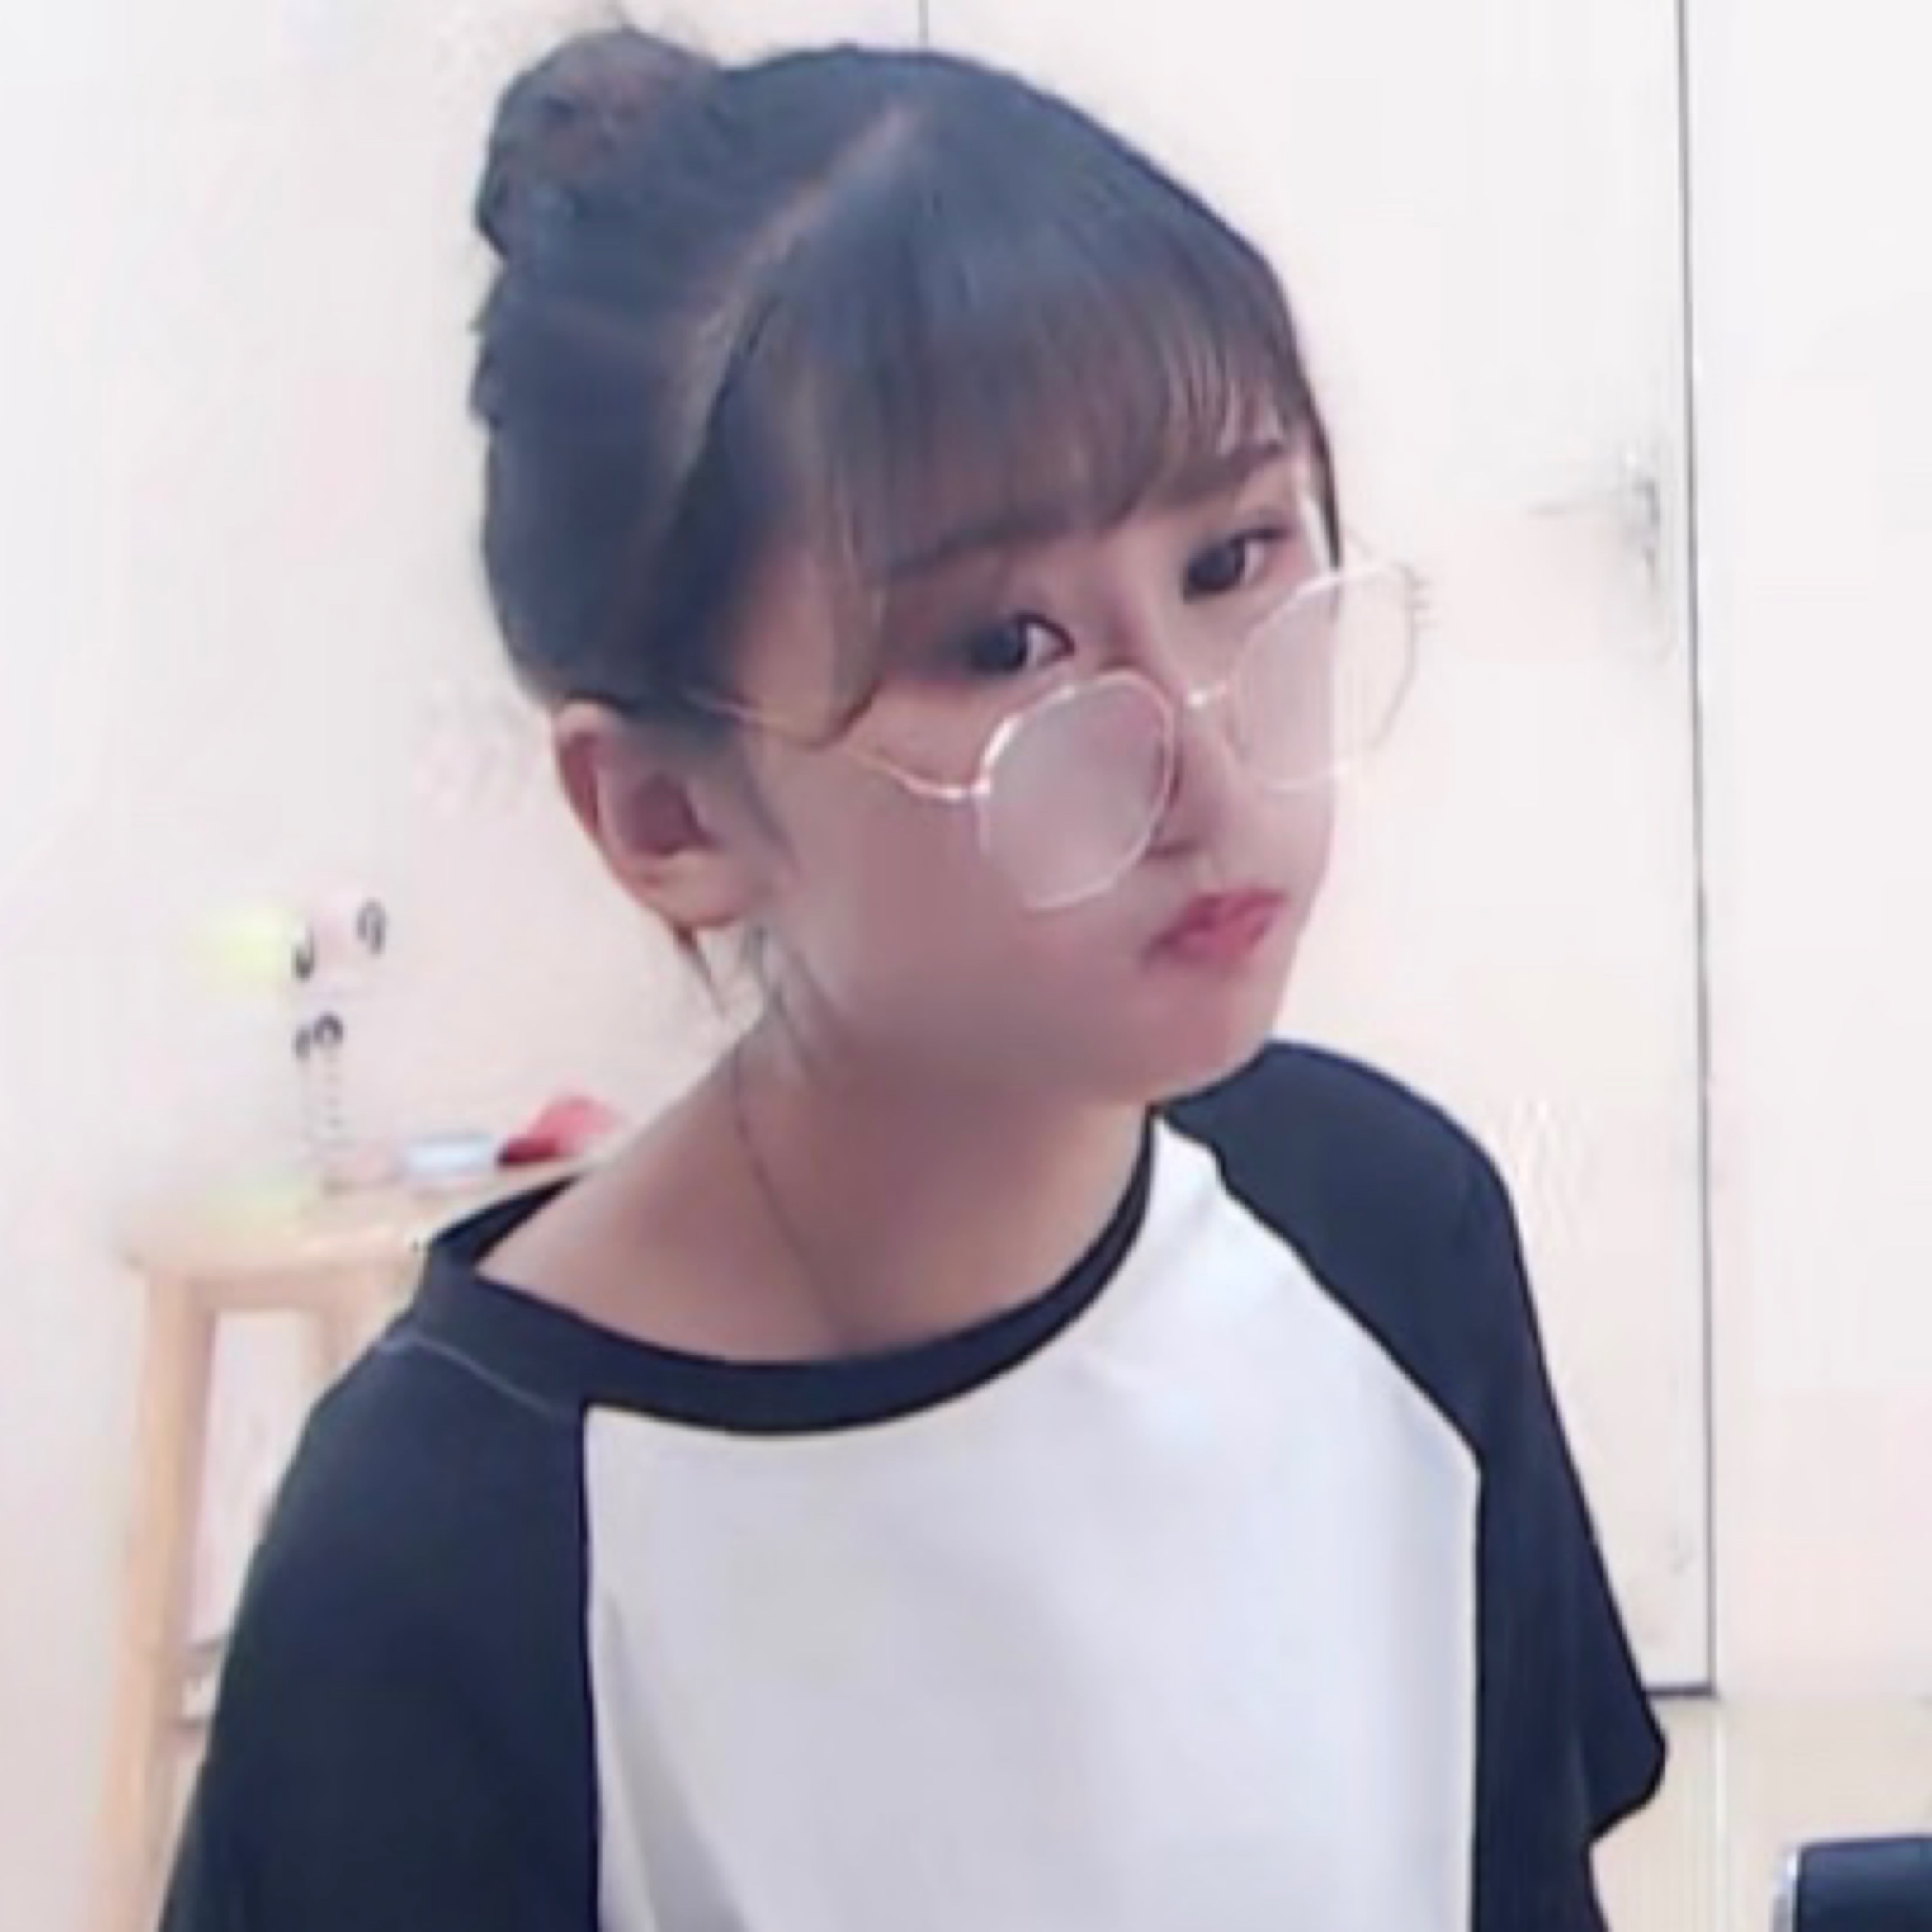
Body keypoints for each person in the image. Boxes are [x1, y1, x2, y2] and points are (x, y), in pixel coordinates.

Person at [160, 27, 1665, 1932]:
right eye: (1005, 644)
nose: (1202, 763)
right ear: (668, 813)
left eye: (1233, 559)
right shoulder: (448, 1559)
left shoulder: (1385, 1237)